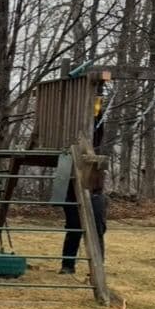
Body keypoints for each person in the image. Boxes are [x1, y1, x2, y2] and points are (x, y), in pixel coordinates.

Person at [61, 91, 108, 274]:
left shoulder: (95, 145)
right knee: (74, 227)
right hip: (73, 189)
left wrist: (97, 99)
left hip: (95, 190)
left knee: (97, 229)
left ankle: (97, 267)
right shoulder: (68, 146)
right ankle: (67, 265)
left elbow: (98, 126)